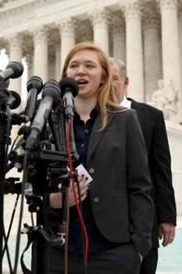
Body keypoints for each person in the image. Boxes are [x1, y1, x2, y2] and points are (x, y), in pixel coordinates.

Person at [48, 42, 154, 274]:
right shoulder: (50, 121)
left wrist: (138, 248)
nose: (81, 71)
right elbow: (32, 184)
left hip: (113, 252)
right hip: (58, 250)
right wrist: (55, 200)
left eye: (89, 65)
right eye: (73, 65)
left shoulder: (125, 119)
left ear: (103, 77)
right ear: (65, 74)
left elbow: (140, 186)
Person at [109, 57, 177, 274]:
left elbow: (162, 169)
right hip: (106, 222)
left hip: (144, 221)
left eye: (115, 79)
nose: (110, 85)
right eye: (104, 80)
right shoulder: (91, 116)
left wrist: (167, 217)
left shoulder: (150, 116)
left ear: (126, 81)